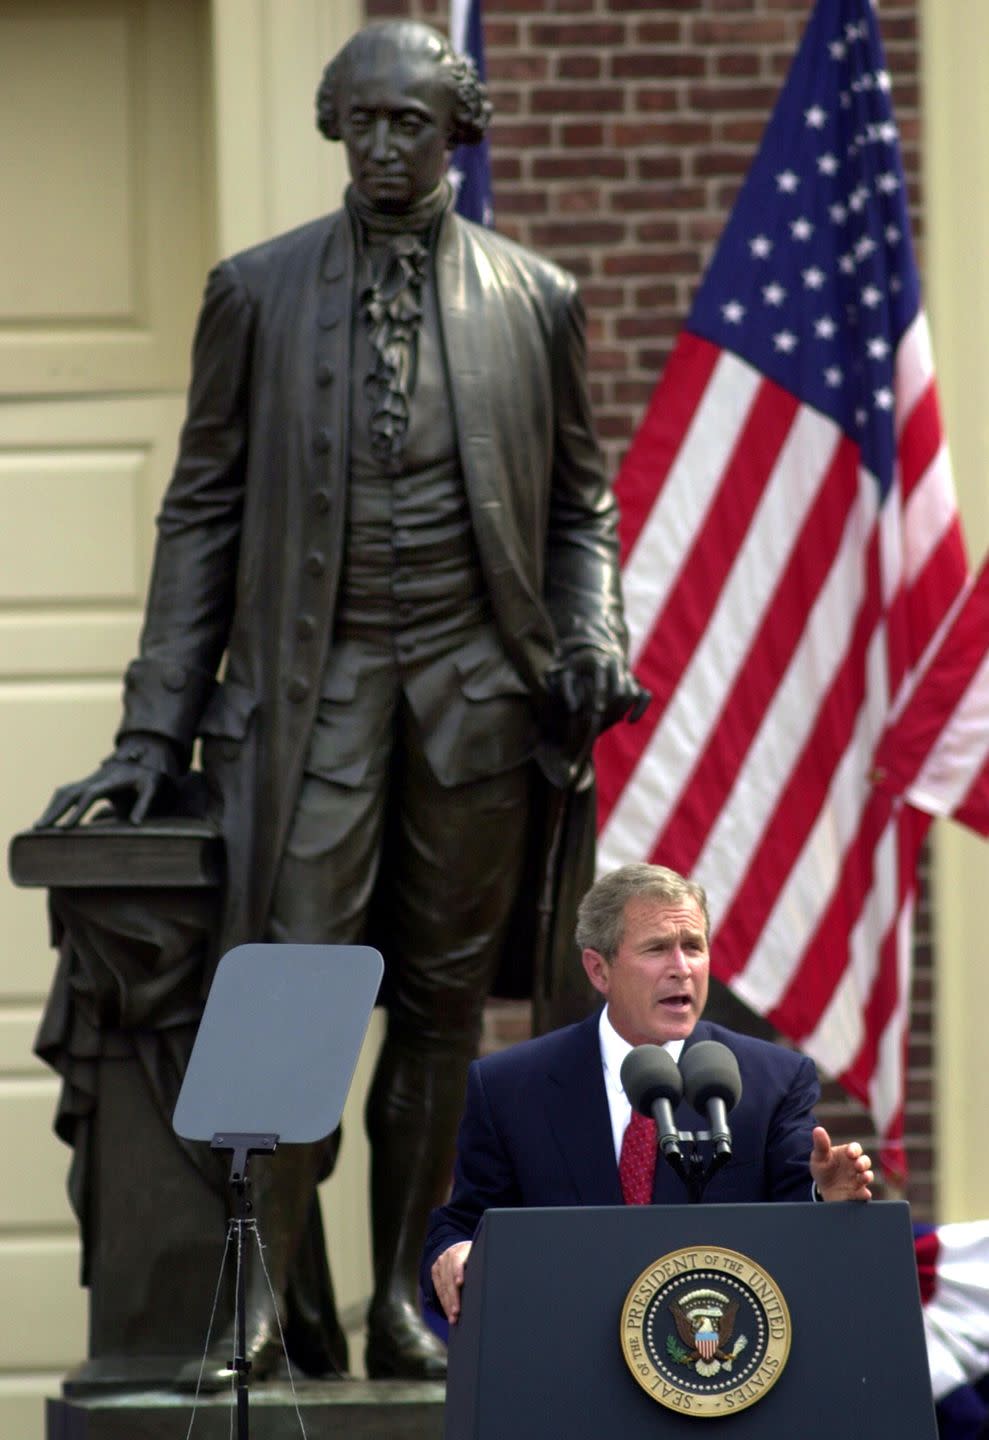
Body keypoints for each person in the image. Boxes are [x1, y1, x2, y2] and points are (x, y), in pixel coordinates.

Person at [35, 21, 642, 1382]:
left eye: (409, 122)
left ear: (455, 134)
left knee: (437, 1009)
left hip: (475, 705)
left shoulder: (532, 297)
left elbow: (575, 504)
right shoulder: (253, 294)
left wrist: (592, 625)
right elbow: (198, 516)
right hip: (311, 705)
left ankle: (407, 1301)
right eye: (360, 120)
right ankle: (255, 1303)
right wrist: (152, 727)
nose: (382, 144)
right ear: (333, 126)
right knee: (291, 994)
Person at [425, 862, 874, 1326]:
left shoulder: (773, 1079)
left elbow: (792, 1221)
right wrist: (457, 1251)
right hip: (567, 1352)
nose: (681, 969)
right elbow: (465, 1222)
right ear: (599, 970)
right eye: (658, 949)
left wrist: (824, 1197)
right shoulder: (509, 1087)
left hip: (715, 1362)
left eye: (693, 947)